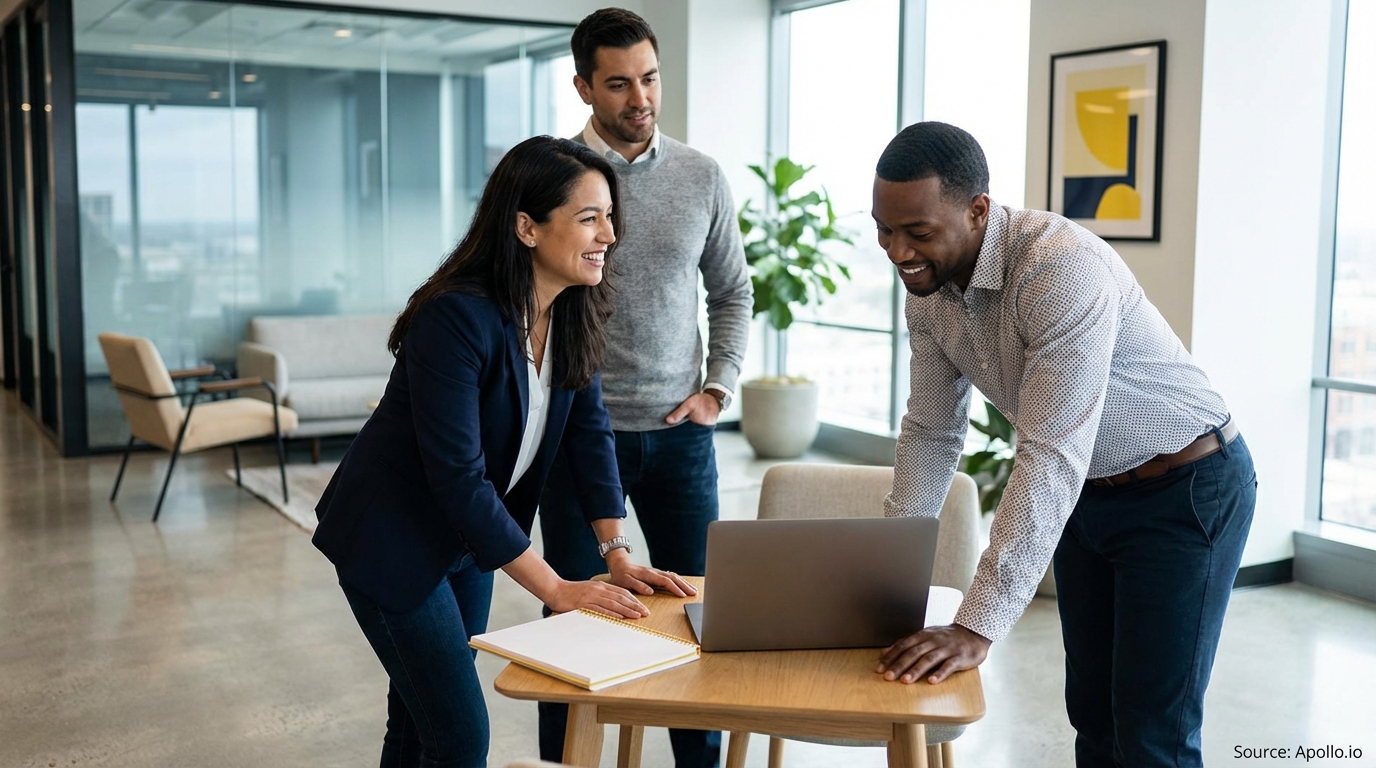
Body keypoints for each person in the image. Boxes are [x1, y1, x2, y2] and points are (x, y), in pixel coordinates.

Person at [869, 122, 1256, 767]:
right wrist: (888, 574)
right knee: (1093, 718)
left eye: (918, 232)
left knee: (1151, 732)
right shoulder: (929, 294)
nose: (897, 250)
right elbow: (931, 433)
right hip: (1088, 499)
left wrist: (975, 625)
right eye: (884, 228)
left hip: (1185, 491)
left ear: (978, 210)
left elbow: (1052, 451)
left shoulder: (1059, 267)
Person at [312, 135, 696, 768]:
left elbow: (588, 434)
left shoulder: (570, 310)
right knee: (461, 736)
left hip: (467, 545)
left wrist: (616, 554)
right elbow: (458, 478)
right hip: (392, 541)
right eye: (588, 218)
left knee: (417, 721)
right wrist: (556, 588)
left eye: (609, 217)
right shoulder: (455, 318)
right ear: (526, 227)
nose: (609, 235)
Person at [535, 8, 752, 768]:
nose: (640, 98)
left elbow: (732, 291)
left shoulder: (701, 175)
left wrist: (717, 390)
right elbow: (520, 296)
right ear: (584, 86)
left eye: (650, 78)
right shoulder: (552, 175)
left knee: (700, 618)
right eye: (619, 83)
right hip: (572, 442)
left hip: (681, 438)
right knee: (572, 625)